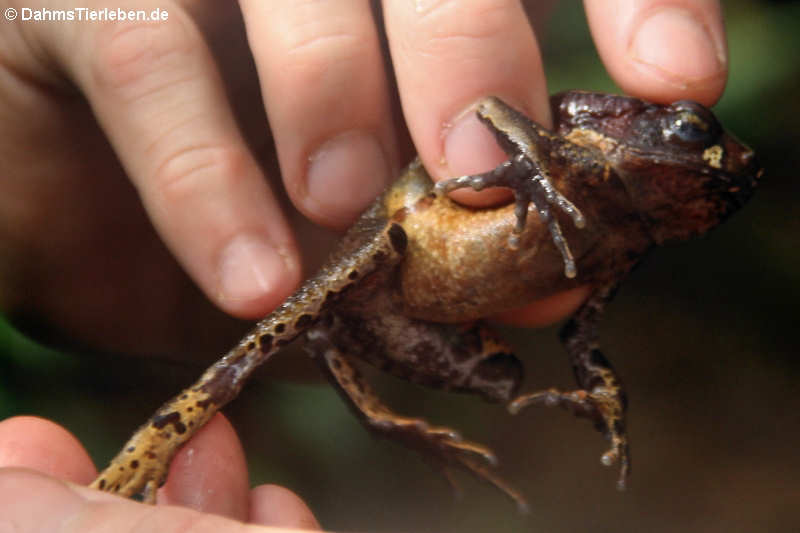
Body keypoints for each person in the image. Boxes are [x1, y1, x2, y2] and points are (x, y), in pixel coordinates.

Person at [0, 1, 728, 529]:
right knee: (279, 330)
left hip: (427, 302)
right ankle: (157, 437)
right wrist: (534, 168)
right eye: (690, 132)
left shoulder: (624, 237)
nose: (701, 159)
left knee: (471, 366)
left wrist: (605, 400)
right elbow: (495, 113)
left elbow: (583, 336)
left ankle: (386, 419)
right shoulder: (582, 133)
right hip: (403, 230)